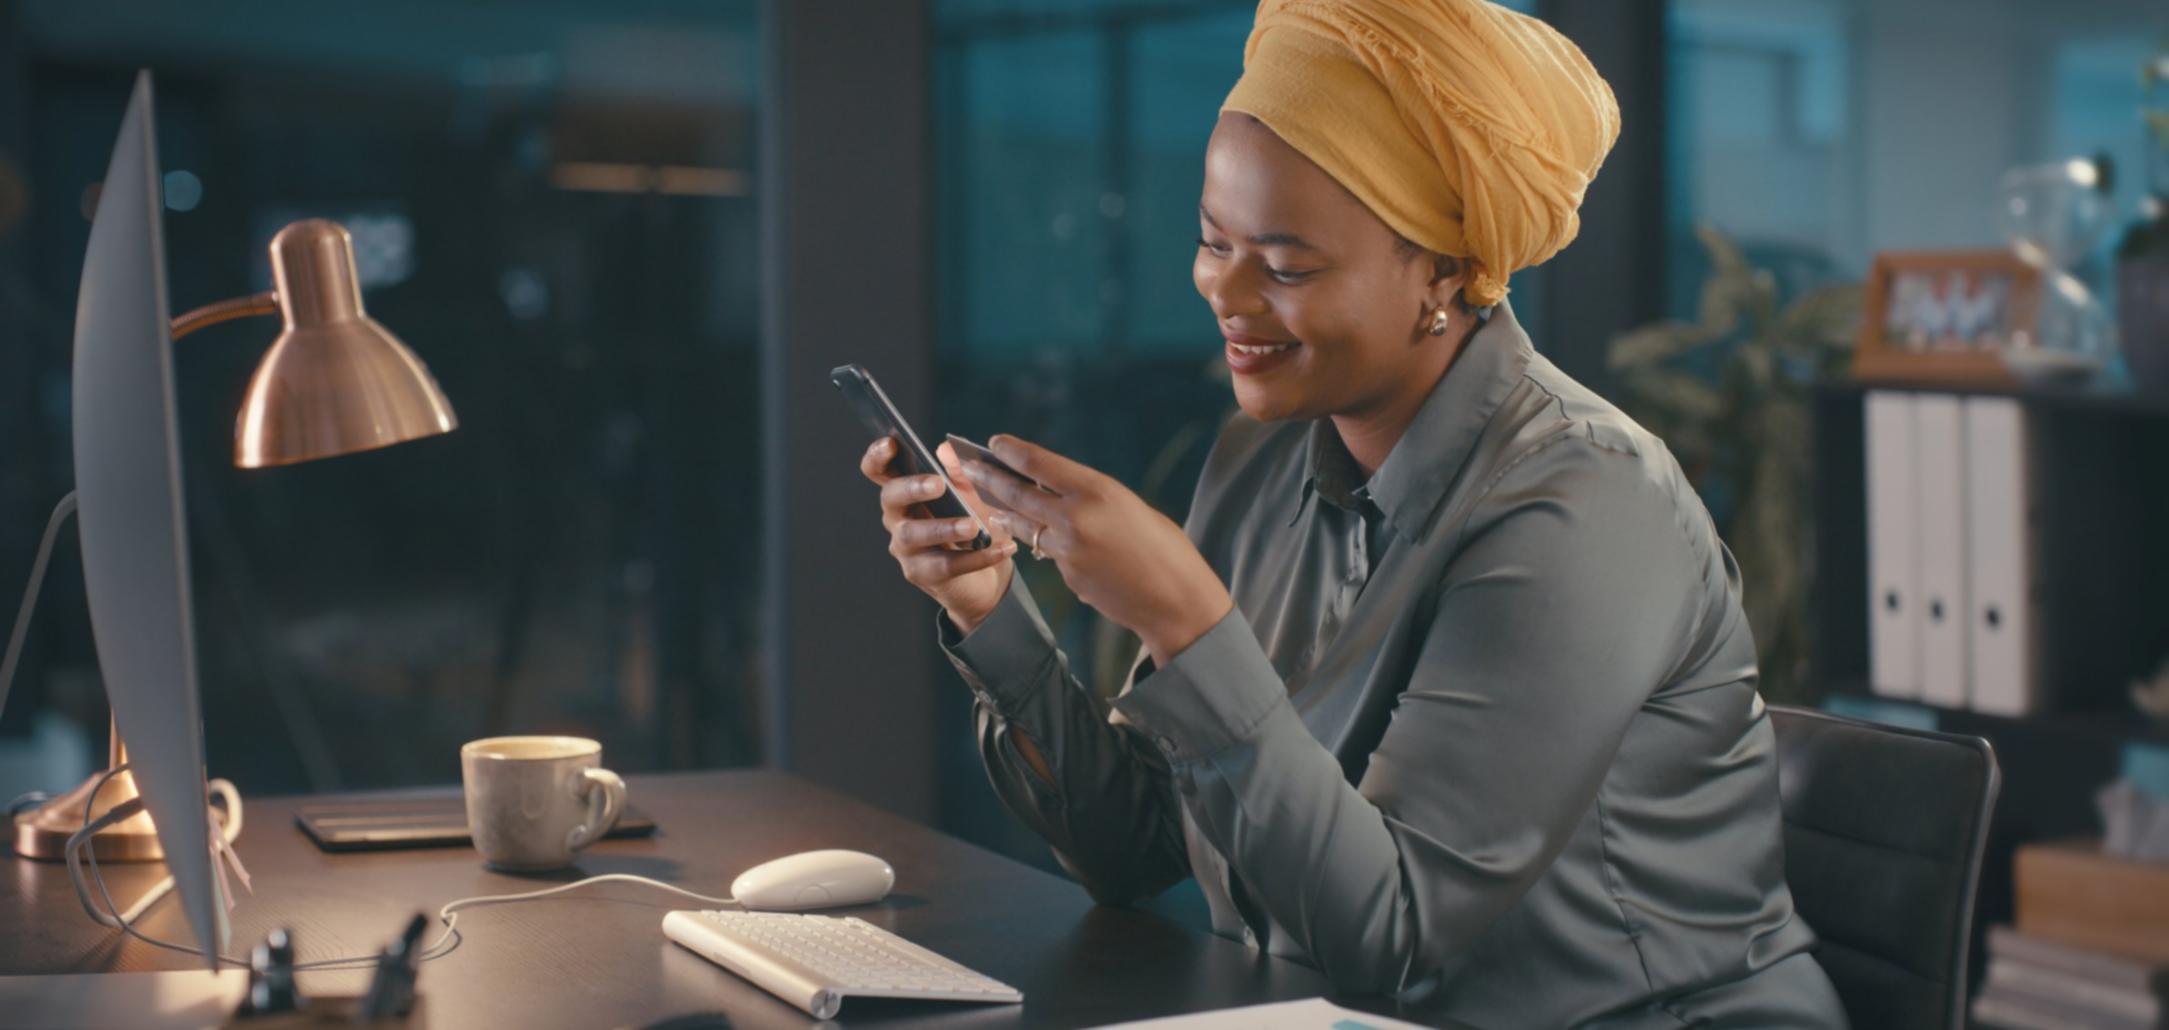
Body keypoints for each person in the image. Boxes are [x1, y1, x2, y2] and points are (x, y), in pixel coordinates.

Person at [859, 0, 1846, 1025]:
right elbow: (1135, 843)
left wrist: (1187, 621)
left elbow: (1392, 935)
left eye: (1285, 266)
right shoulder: (1265, 455)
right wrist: (990, 610)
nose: (1225, 293)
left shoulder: (1585, 504)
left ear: (1445, 274)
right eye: (1211, 241)